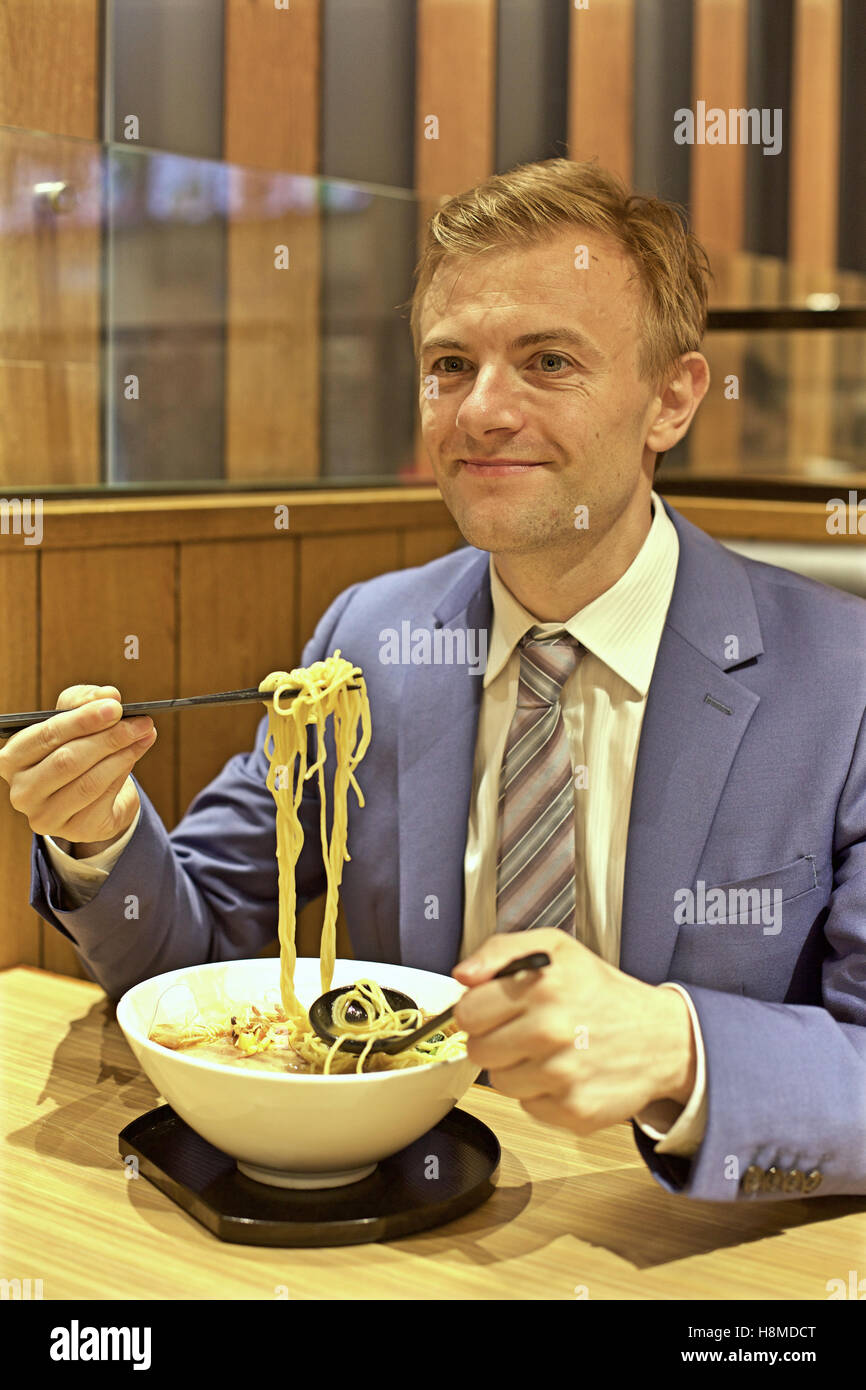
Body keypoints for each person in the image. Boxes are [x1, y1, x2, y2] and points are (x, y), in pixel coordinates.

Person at [3, 158, 865, 1204]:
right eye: (450, 363)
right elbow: (200, 944)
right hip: (407, 1211)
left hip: (685, 1239)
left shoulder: (839, 683)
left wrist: (681, 1050)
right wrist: (98, 833)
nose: (481, 411)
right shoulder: (369, 639)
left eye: (548, 360)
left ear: (670, 400)